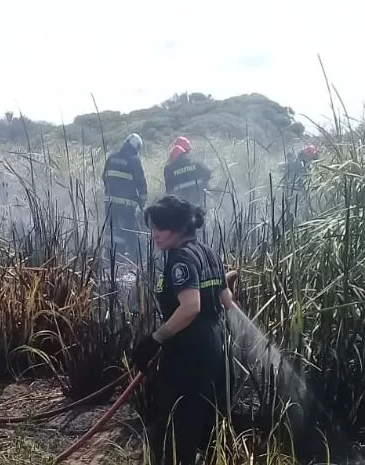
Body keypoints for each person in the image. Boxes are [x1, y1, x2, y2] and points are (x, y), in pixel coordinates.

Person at [131, 195, 235, 465]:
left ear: (178, 228)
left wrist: (155, 339)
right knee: (204, 422)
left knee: (178, 427)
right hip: (213, 346)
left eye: (160, 228)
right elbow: (227, 300)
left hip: (188, 352)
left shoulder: (179, 259)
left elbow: (190, 307)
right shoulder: (207, 251)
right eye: (152, 228)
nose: (154, 235)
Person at [101, 133, 148, 258]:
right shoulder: (134, 159)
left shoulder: (111, 157)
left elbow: (104, 177)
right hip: (126, 204)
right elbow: (141, 182)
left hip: (110, 202)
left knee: (113, 229)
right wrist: (142, 201)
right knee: (130, 229)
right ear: (136, 146)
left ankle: (113, 255)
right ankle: (136, 257)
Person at [163, 136, 212, 208]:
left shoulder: (169, 169)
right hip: (199, 199)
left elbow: (169, 189)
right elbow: (208, 174)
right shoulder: (196, 163)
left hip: (182, 205)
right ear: (185, 153)